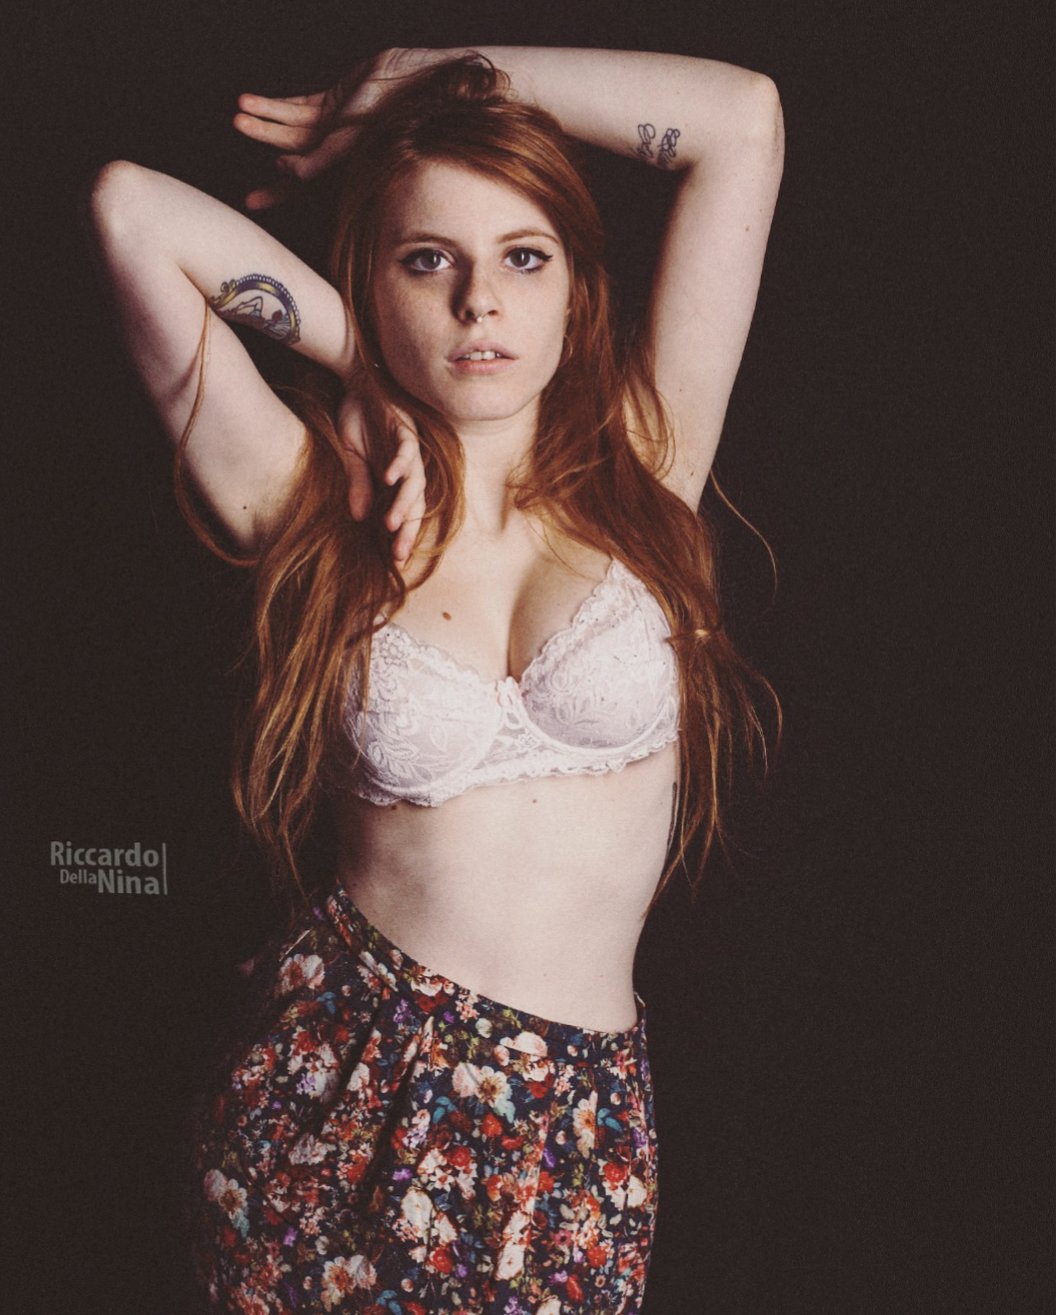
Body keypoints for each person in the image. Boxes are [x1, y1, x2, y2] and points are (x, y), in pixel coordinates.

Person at [91, 44, 783, 1315]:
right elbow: (128, 210)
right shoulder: (313, 504)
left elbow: (742, 120)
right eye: (428, 261)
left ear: (576, 290)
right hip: (322, 1098)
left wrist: (441, 70)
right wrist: (359, 370)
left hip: (570, 1131)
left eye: (524, 257)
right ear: (370, 278)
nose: (479, 303)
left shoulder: (650, 466)